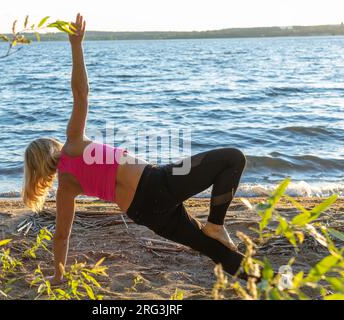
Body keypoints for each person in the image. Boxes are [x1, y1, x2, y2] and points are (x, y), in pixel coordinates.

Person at [22, 13, 251, 284]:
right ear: (52, 147)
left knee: (214, 250)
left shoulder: (65, 189)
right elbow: (81, 92)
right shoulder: (72, 143)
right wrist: (76, 45)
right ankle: (216, 224)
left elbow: (62, 236)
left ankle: (258, 281)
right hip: (157, 184)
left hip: (145, 215)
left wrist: (58, 276)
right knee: (233, 159)